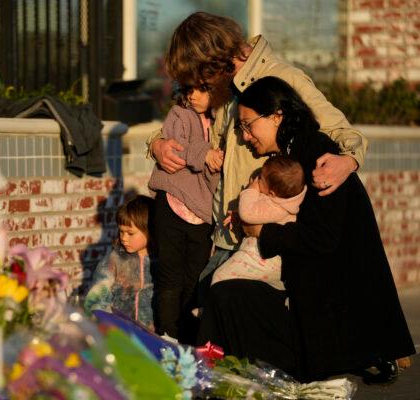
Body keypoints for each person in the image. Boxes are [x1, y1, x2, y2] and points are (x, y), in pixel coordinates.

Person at [198, 76, 416, 383]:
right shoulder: (295, 152)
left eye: (248, 125)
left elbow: (322, 237)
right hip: (316, 302)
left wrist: (261, 231)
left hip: (329, 316)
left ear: (277, 116)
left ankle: (211, 376)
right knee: (225, 295)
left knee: (228, 296)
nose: (245, 136)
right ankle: (212, 374)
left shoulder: (316, 155)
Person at [147, 12, 368, 301]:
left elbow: (340, 130)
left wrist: (349, 159)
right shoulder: (229, 89)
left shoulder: (282, 78)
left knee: (211, 317)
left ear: (214, 61)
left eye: (201, 78)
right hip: (224, 233)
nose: (200, 86)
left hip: (259, 238)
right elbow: (190, 129)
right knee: (200, 312)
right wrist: (156, 144)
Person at [148, 86, 223, 343]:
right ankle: (167, 336)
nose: (193, 96)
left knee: (196, 279)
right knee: (170, 276)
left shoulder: (226, 119)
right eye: (189, 89)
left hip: (204, 212)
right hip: (172, 201)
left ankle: (190, 340)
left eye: (202, 90)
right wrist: (205, 154)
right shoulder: (180, 113)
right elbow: (175, 149)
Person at [211, 156, 306, 291]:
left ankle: (208, 310)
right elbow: (254, 214)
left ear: (272, 193)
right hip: (259, 257)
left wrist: (251, 190)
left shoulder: (277, 207)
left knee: (221, 276)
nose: (256, 180)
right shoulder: (279, 202)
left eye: (260, 178)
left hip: (261, 259)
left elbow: (248, 213)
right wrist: (238, 217)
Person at [84, 195, 156, 330]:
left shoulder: (161, 261)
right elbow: (96, 298)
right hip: (120, 333)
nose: (123, 238)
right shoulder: (114, 260)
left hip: (154, 337)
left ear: (150, 230)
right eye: (121, 231)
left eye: (130, 233)